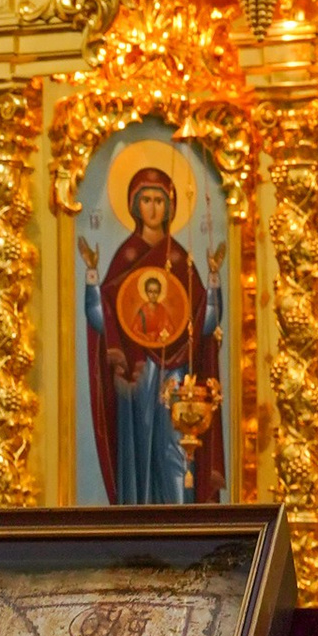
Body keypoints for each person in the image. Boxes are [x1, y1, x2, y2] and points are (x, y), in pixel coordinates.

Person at [81, 165, 225, 504]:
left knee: (176, 447)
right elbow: (102, 318)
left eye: (159, 200)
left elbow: (204, 324)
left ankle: (180, 515)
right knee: (141, 445)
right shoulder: (126, 257)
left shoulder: (179, 257)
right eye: (145, 199)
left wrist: (215, 281)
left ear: (171, 206)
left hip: (176, 373)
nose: (153, 207)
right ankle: (140, 513)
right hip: (138, 371)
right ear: (134, 206)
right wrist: (91, 276)